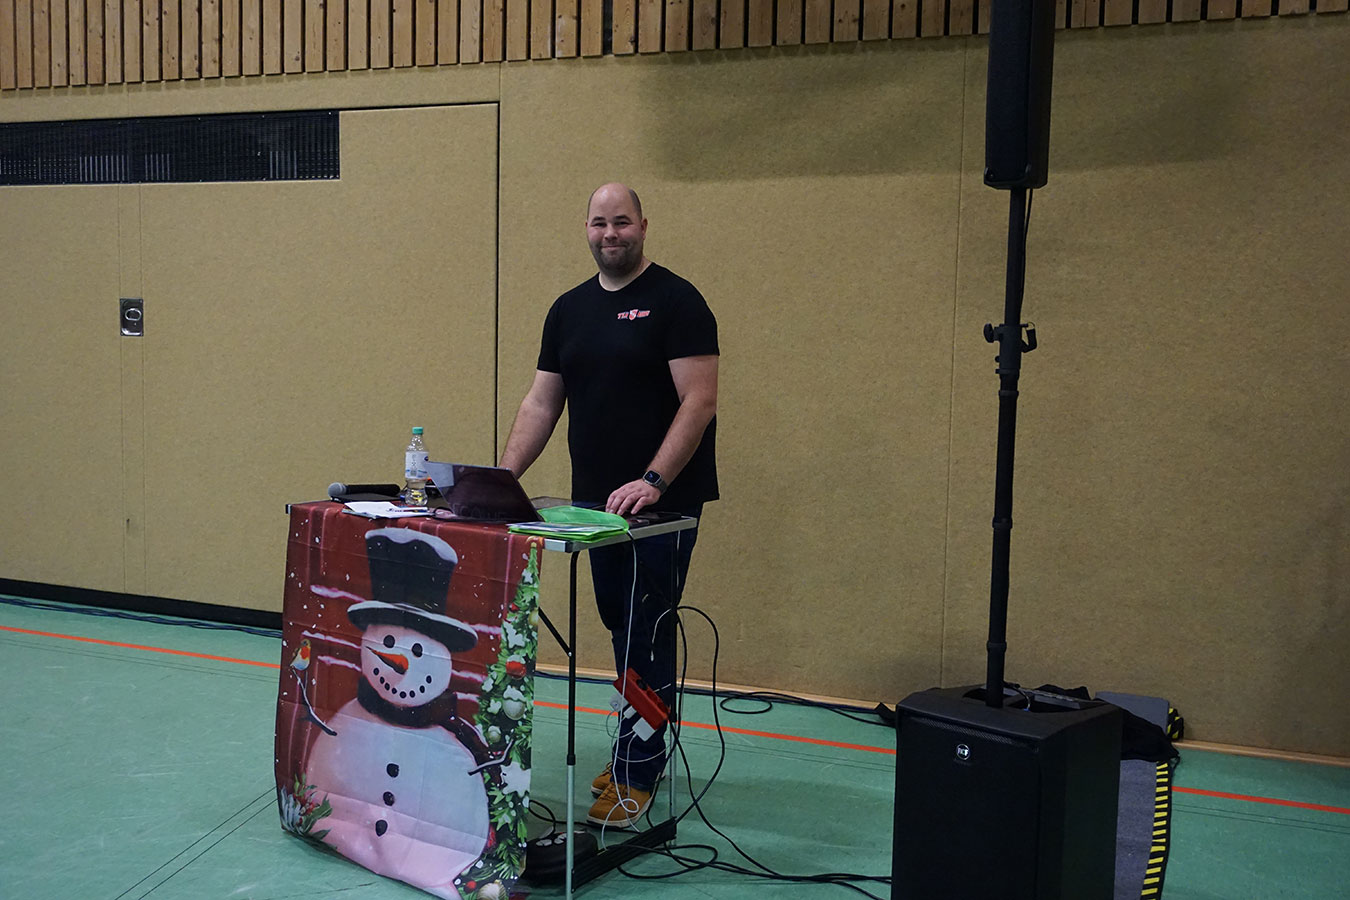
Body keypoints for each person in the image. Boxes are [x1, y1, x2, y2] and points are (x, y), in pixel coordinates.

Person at [498, 182, 719, 829]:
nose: (610, 234)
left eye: (621, 222)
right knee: (622, 629)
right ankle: (634, 749)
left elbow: (700, 400)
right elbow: (542, 402)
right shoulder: (568, 310)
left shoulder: (678, 302)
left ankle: (637, 773)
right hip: (594, 509)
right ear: (587, 229)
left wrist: (654, 479)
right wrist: (501, 479)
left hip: (660, 507)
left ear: (643, 226)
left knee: (646, 631)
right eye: (599, 223)